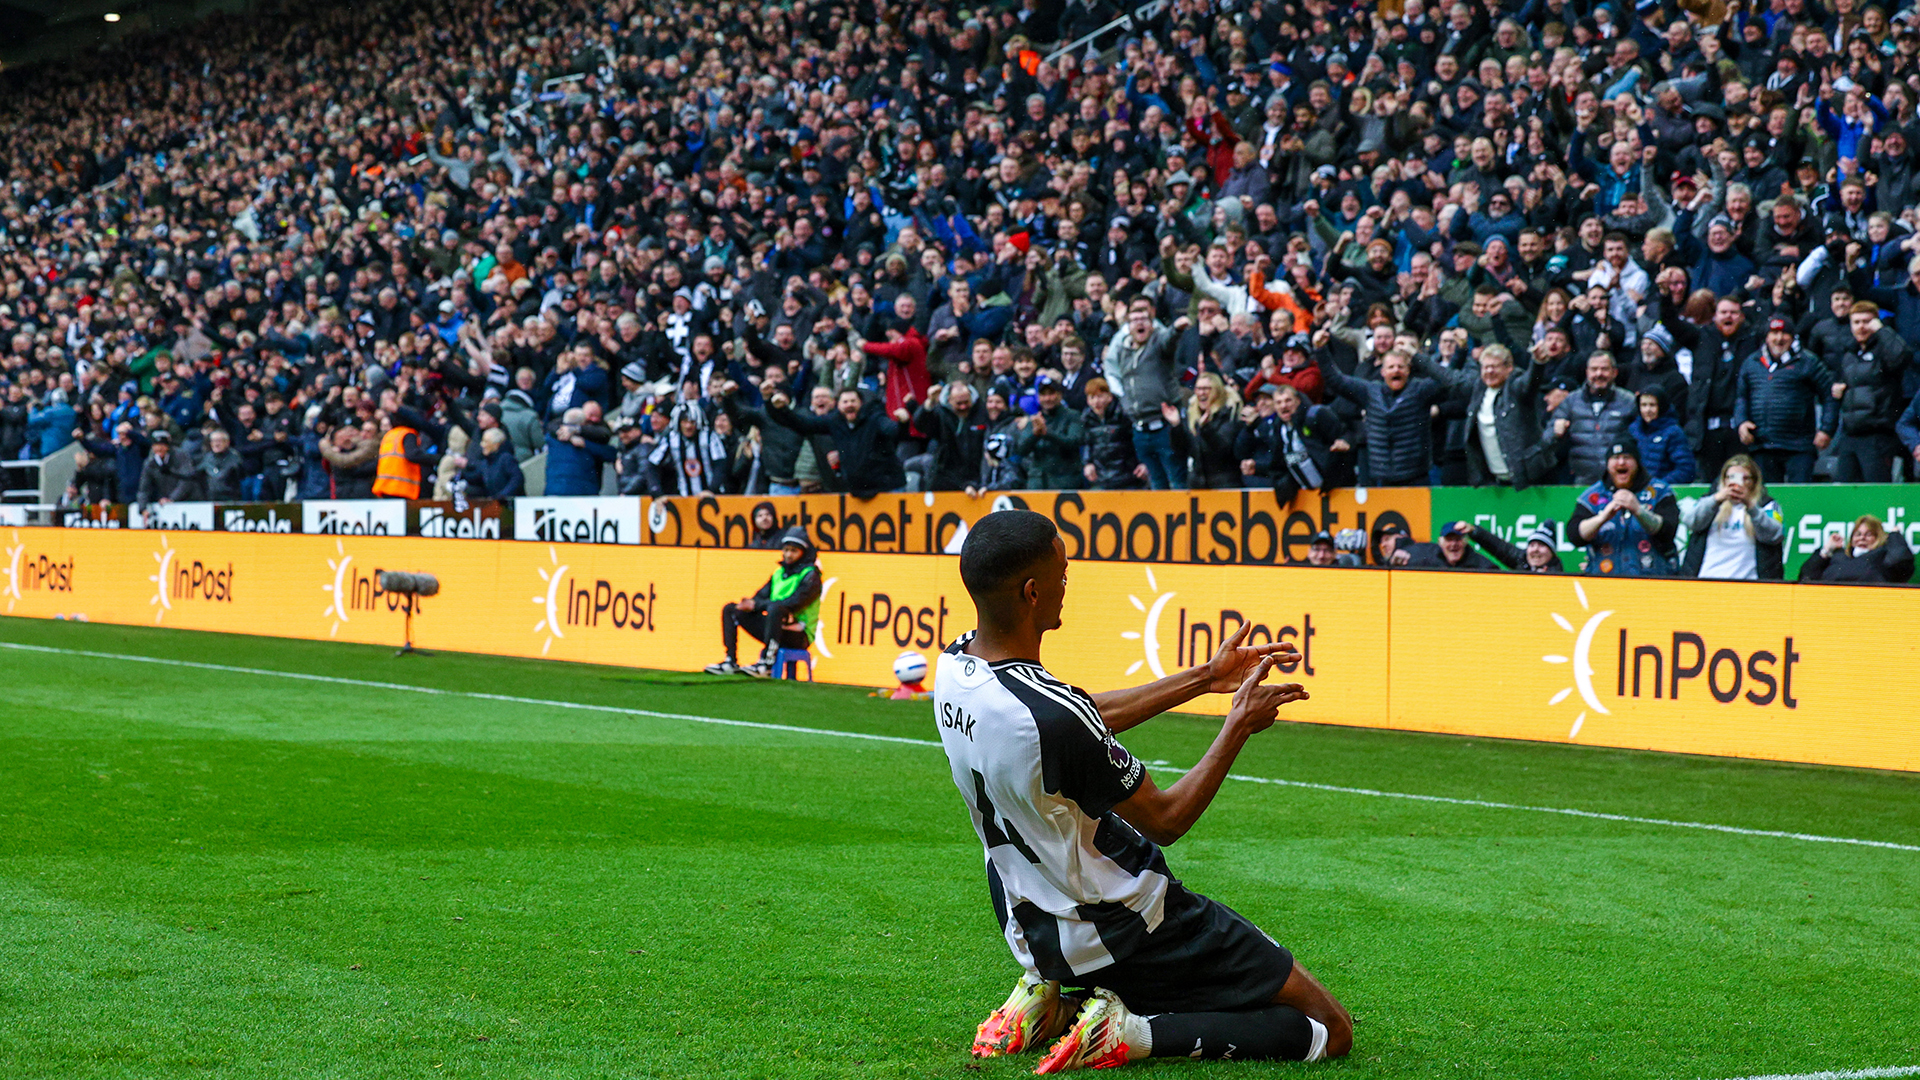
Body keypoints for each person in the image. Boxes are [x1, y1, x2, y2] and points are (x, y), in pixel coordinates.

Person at [940, 511, 1350, 1071]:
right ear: (1032, 592)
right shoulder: (1053, 719)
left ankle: (1051, 1000)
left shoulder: (955, 665)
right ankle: (1131, 1032)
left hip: (1032, 920)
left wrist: (1204, 677)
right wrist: (1237, 725)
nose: (1069, 580)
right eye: (1063, 571)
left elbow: (1079, 717)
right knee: (1328, 1028)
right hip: (1129, 924)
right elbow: (1165, 819)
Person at [704, 528, 824, 677]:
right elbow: (760, 597)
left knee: (775, 608)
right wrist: (750, 604)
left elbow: (794, 602)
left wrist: (758, 605)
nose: (788, 555)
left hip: (799, 634)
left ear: (803, 553)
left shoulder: (811, 576)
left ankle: (766, 664)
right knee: (731, 609)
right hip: (776, 626)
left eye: (794, 551)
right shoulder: (779, 573)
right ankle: (730, 661)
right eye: (786, 550)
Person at [1568, 440, 1681, 578]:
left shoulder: (1660, 492)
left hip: (1653, 581)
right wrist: (1602, 518)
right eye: (1615, 458)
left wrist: (1639, 511)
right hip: (1604, 582)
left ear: (1637, 462)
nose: (1621, 463)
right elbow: (1574, 535)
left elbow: (1668, 531)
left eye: (1627, 457)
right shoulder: (1592, 496)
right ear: (1608, 464)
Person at [1679, 456, 1785, 581]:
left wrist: (1751, 507)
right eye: (1732, 477)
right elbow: (1691, 522)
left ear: (1754, 481)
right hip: (1707, 580)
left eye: (1745, 478)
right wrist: (1716, 499)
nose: (1738, 483)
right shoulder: (1709, 502)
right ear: (1724, 480)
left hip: (1749, 584)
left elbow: (1775, 535)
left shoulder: (1766, 505)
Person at [1543, 352, 1638, 486]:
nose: (1599, 374)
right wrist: (1555, 432)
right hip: (1581, 481)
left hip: (1619, 481)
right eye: (1594, 369)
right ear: (1587, 372)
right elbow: (1546, 439)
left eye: (1604, 369)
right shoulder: (1571, 401)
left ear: (1614, 372)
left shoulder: (1628, 401)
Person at [1796, 515, 1915, 584]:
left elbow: (1900, 559)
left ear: (1878, 537)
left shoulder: (1883, 557)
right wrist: (1827, 549)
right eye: (1857, 534)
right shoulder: (1838, 556)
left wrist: (1895, 536)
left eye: (1868, 534)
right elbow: (1806, 577)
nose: (1862, 538)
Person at [1628, 388, 1695, 485]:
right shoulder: (1633, 430)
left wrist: (1659, 485)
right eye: (1644, 405)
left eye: (1652, 405)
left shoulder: (1673, 432)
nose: (1648, 410)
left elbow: (1685, 469)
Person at [1465, 522, 1565, 573]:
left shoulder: (1556, 574)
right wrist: (1475, 532)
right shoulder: (1521, 560)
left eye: (1542, 545)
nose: (1535, 550)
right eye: (1532, 545)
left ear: (1552, 552)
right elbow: (1500, 547)